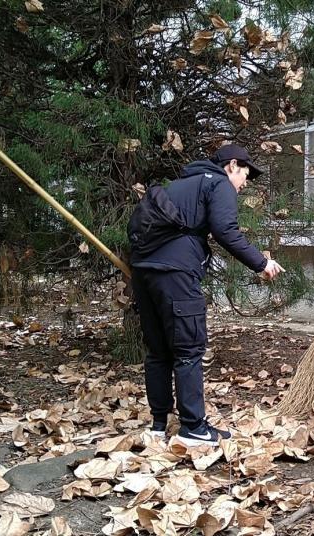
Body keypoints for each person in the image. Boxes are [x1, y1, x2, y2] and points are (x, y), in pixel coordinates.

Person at [130, 144, 285, 445]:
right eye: (246, 175)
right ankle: (193, 428)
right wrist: (262, 262)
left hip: (144, 272)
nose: (244, 183)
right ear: (232, 165)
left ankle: (158, 425)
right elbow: (226, 231)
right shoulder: (218, 184)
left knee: (158, 351)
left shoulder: (179, 184)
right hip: (177, 274)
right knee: (188, 349)